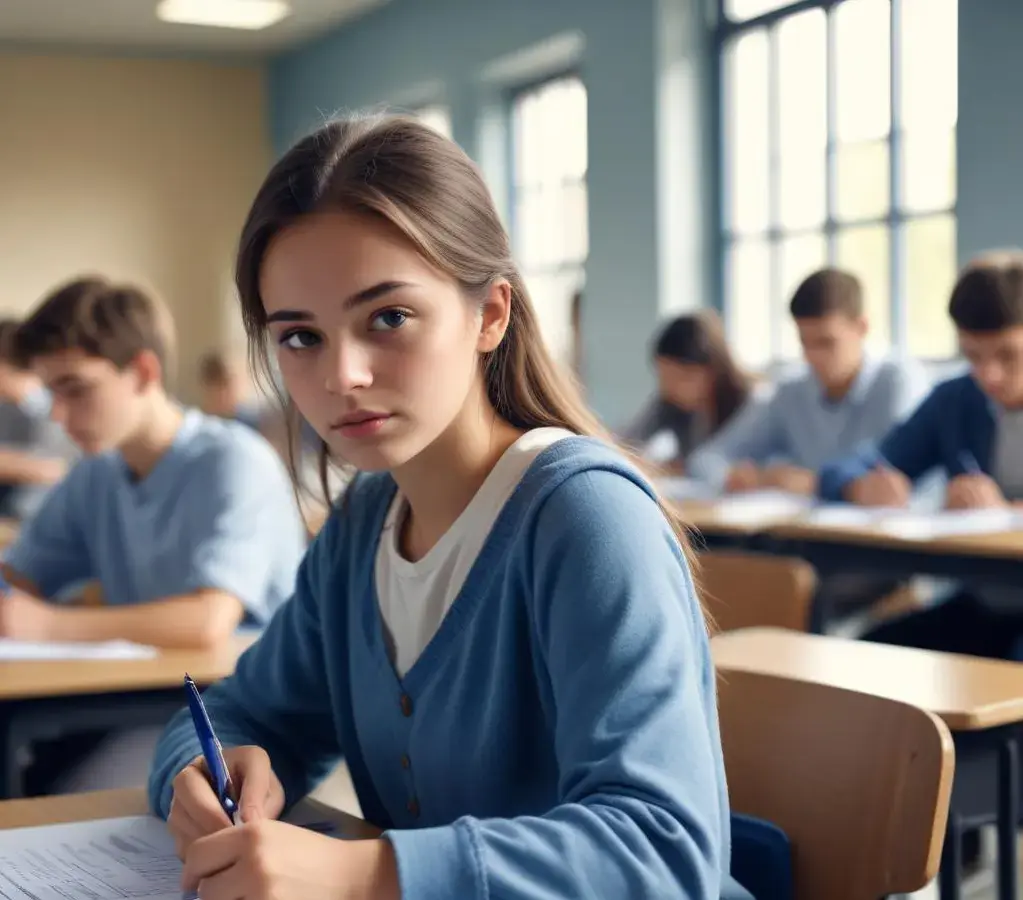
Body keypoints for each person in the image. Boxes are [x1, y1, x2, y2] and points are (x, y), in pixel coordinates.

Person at [148, 115, 749, 900]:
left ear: (490, 314)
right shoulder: (361, 525)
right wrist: (201, 775)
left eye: (387, 318)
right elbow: (242, 714)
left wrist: (367, 873)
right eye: (299, 337)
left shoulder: (585, 518)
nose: (342, 376)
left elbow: (663, 853)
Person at [0, 276, 306, 647]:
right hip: (154, 677)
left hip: (248, 679)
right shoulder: (95, 474)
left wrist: (49, 626)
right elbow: (18, 577)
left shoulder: (236, 461)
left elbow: (208, 621)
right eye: (52, 393)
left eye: (76, 389)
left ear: (143, 372)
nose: (57, 415)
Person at [820, 251, 1023, 659]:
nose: (989, 375)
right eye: (973, 356)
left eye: (1007, 355)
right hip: (981, 607)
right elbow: (846, 467)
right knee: (866, 656)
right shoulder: (955, 400)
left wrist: (1006, 510)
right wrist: (863, 487)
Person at [689, 268, 929, 495]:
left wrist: (815, 484)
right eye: (805, 342)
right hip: (800, 524)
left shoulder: (899, 383)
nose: (813, 356)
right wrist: (731, 477)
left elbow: (911, 483)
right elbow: (706, 458)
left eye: (826, 342)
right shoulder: (790, 392)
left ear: (862, 327)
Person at [622, 310, 751, 473]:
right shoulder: (668, 402)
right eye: (663, 377)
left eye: (678, 377)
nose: (667, 387)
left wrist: (681, 467)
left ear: (710, 371)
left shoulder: (750, 405)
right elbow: (625, 443)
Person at [0, 318, 75, 519]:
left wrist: (16, 465)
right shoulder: (8, 408)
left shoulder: (61, 407)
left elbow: (67, 470)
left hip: (39, 518)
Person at [197, 350, 263, 431]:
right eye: (219, 385)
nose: (223, 393)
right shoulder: (198, 427)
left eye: (226, 383)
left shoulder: (249, 422)